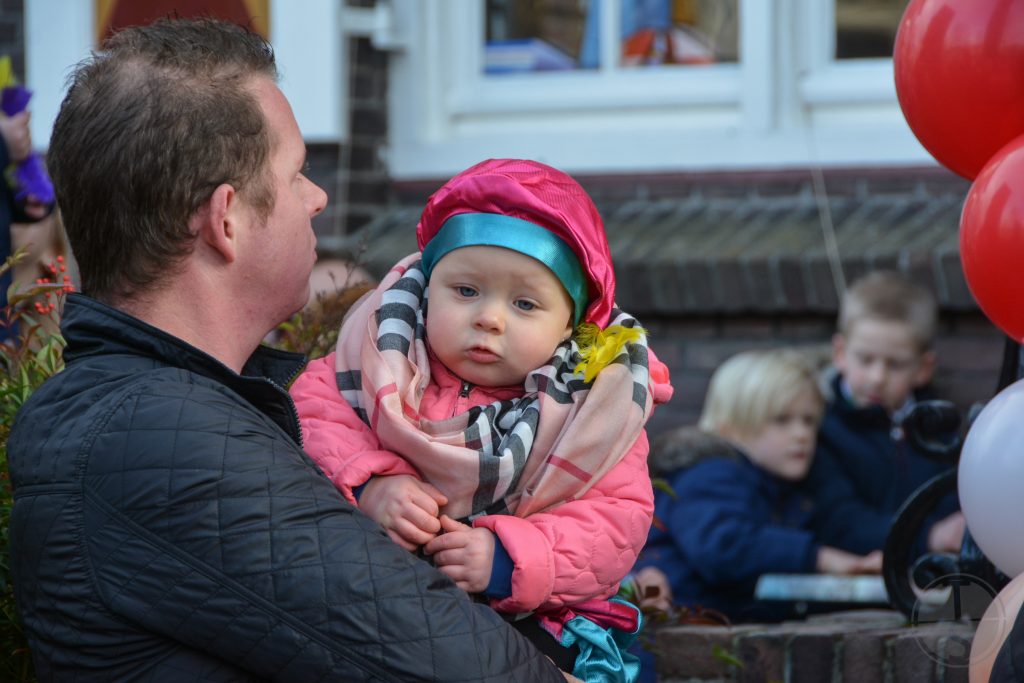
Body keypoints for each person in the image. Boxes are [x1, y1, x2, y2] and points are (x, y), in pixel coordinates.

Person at [6, 19, 569, 681]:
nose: (319, 197)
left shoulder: (147, 409)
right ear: (226, 220)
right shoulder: (162, 436)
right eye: (297, 173)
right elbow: (449, 660)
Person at [290, 158, 674, 681]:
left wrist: (510, 557)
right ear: (427, 290)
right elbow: (313, 414)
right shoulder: (379, 358)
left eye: (524, 303)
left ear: (569, 326)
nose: (489, 318)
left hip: (523, 617)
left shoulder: (590, 416)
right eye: (466, 291)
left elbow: (615, 522)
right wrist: (371, 480)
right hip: (376, 600)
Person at [634, 349, 882, 624]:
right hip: (675, 645)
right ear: (731, 426)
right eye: (781, 420)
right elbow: (725, 546)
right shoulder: (710, 474)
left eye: (809, 420)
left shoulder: (776, 486)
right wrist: (819, 557)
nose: (801, 434)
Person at [801, 271, 964, 556]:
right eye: (865, 359)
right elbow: (838, 521)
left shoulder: (942, 430)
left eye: (896, 364)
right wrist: (930, 536)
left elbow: (955, 501)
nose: (877, 377)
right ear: (839, 353)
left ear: (924, 368)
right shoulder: (819, 428)